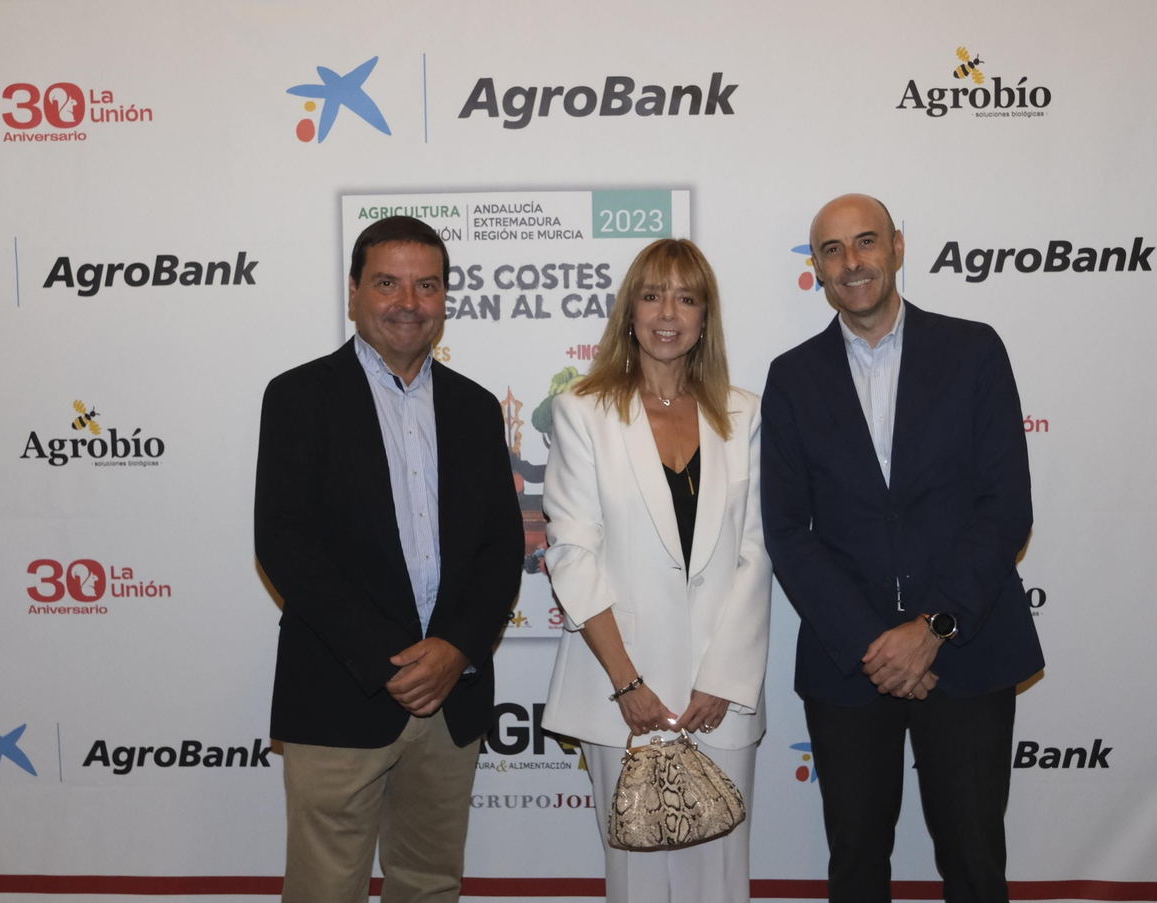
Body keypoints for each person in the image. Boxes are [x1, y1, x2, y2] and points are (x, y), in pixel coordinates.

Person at [761, 194, 1044, 903]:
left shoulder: (974, 350)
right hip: (850, 666)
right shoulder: (792, 378)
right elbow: (789, 531)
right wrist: (875, 645)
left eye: (865, 242)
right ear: (818, 270)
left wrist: (932, 629)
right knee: (856, 865)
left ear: (896, 246)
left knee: (976, 863)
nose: (852, 262)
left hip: (968, 652)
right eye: (832, 250)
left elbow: (1005, 507)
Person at [254, 215, 524, 903]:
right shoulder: (298, 396)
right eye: (387, 283)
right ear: (353, 292)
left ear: (444, 297)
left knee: (430, 885)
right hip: (341, 692)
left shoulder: (473, 408)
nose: (408, 301)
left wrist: (455, 648)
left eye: (426, 284)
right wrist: (393, 661)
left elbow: (501, 544)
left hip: (451, 698)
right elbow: (284, 541)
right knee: (324, 890)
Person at [542, 238, 771, 903]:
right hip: (623, 695)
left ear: (705, 316)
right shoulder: (584, 411)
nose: (668, 311)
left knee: (721, 885)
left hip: (718, 697)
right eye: (652, 294)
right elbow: (573, 555)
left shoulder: (745, 412)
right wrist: (628, 683)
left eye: (687, 296)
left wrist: (724, 677)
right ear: (630, 313)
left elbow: (756, 551)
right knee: (637, 884)